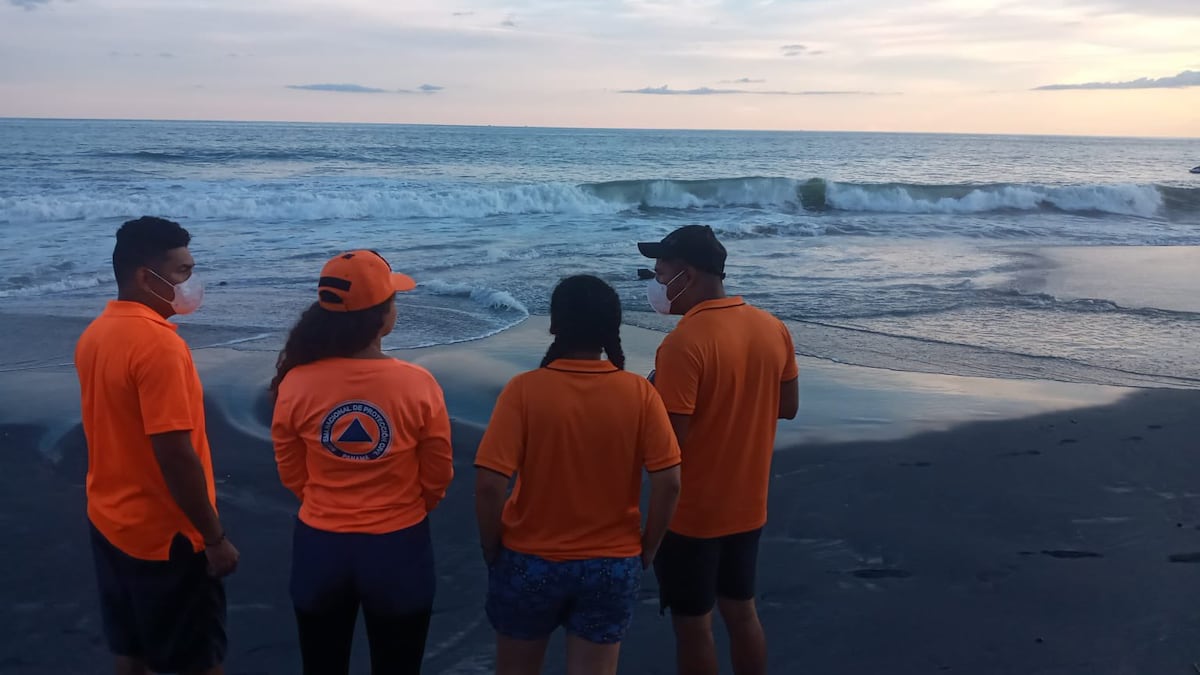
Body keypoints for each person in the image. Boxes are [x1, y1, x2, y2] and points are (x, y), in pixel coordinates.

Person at [474, 275, 682, 675]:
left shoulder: (524, 390)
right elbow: (669, 483)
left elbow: (488, 485)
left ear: (554, 325)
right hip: (612, 562)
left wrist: (491, 545)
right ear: (612, 328)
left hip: (529, 558)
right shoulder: (640, 393)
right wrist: (649, 547)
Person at [270, 249, 453, 675]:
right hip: (397, 545)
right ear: (382, 317)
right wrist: (409, 507)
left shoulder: (296, 382)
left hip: (320, 545)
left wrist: (324, 501)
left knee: (322, 664)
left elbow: (290, 468)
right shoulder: (417, 384)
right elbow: (438, 472)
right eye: (393, 300)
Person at [75, 216, 238, 675]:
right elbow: (175, 453)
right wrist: (213, 538)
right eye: (183, 272)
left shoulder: (96, 334)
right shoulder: (159, 347)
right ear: (147, 278)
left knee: (132, 651)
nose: (191, 284)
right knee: (195, 661)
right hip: (166, 537)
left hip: (110, 520)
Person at [637, 225, 800, 675]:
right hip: (748, 507)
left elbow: (669, 444)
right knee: (742, 613)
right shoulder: (772, 328)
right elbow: (787, 407)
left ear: (686, 275)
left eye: (659, 273)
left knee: (694, 627)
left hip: (692, 517)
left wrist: (649, 395)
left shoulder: (684, 344)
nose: (655, 284)